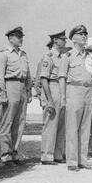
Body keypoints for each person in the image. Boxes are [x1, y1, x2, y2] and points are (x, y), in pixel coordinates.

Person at [0, 26, 32, 164]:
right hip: (10, 86)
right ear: (10, 38)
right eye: (18, 37)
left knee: (20, 122)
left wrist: (28, 90)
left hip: (21, 87)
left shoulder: (23, 54)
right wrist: (2, 93)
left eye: (22, 36)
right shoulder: (4, 54)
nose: (21, 39)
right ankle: (6, 154)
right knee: (7, 121)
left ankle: (14, 152)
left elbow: (28, 74)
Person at [62, 25, 92, 171]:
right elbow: (62, 77)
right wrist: (63, 97)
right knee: (72, 127)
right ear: (73, 38)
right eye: (81, 34)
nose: (84, 36)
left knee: (85, 128)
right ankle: (72, 161)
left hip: (88, 92)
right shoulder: (67, 56)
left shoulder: (89, 56)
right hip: (74, 90)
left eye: (86, 34)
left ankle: (83, 159)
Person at [39, 30, 68, 165]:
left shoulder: (63, 57)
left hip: (62, 88)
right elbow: (44, 79)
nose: (65, 41)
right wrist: (49, 99)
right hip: (52, 87)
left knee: (61, 124)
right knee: (50, 124)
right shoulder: (48, 56)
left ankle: (58, 154)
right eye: (62, 39)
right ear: (55, 40)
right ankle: (47, 155)